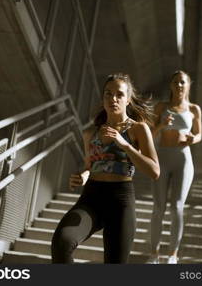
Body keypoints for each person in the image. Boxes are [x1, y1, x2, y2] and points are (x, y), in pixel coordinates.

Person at [51, 73, 160, 263]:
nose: (113, 99)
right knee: (62, 241)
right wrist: (82, 176)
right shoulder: (90, 132)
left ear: (128, 100)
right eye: (108, 94)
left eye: (119, 94)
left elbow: (154, 171)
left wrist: (124, 144)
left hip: (120, 201)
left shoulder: (139, 129)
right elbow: (89, 166)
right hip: (91, 198)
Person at [147, 70, 202, 264]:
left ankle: (172, 256)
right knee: (158, 207)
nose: (179, 85)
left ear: (188, 86)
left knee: (177, 207)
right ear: (170, 86)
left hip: (183, 160)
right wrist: (161, 125)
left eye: (182, 82)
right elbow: (150, 135)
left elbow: (199, 134)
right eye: (176, 82)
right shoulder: (161, 107)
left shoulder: (194, 109)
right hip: (162, 157)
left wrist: (192, 138)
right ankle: (154, 254)